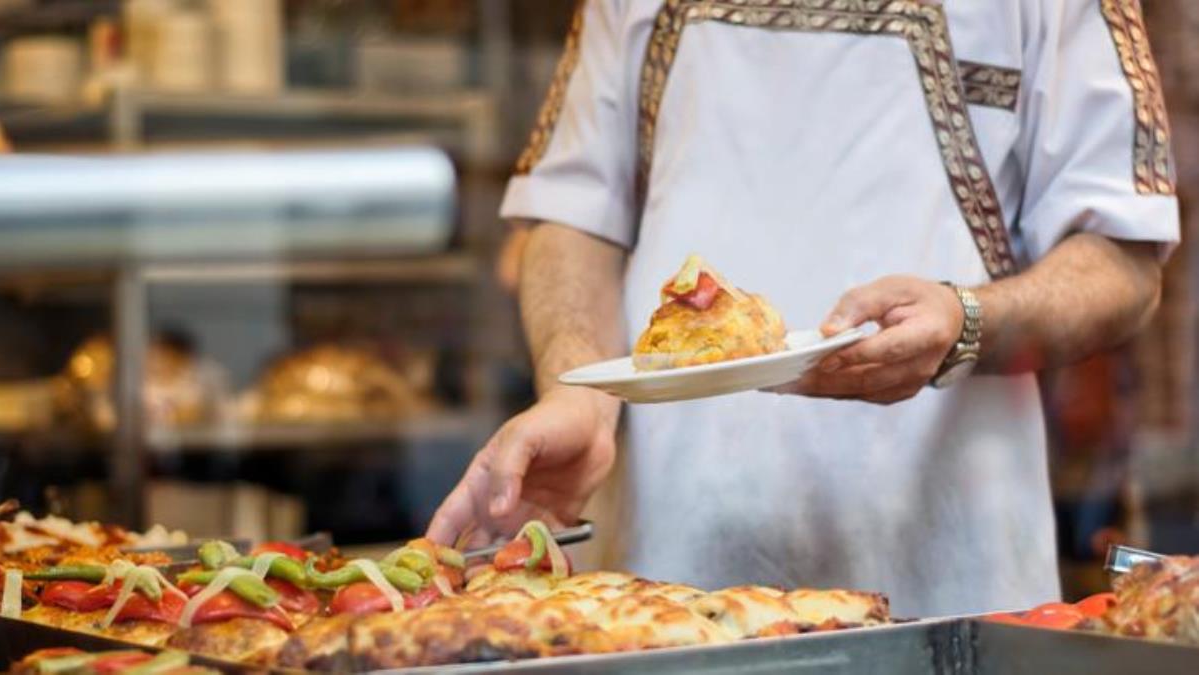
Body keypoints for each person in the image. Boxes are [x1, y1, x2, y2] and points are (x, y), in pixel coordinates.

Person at [428, 0, 1180, 617]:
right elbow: (572, 213)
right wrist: (575, 387)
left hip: (953, 574)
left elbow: (1123, 258)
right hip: (663, 583)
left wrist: (968, 319)